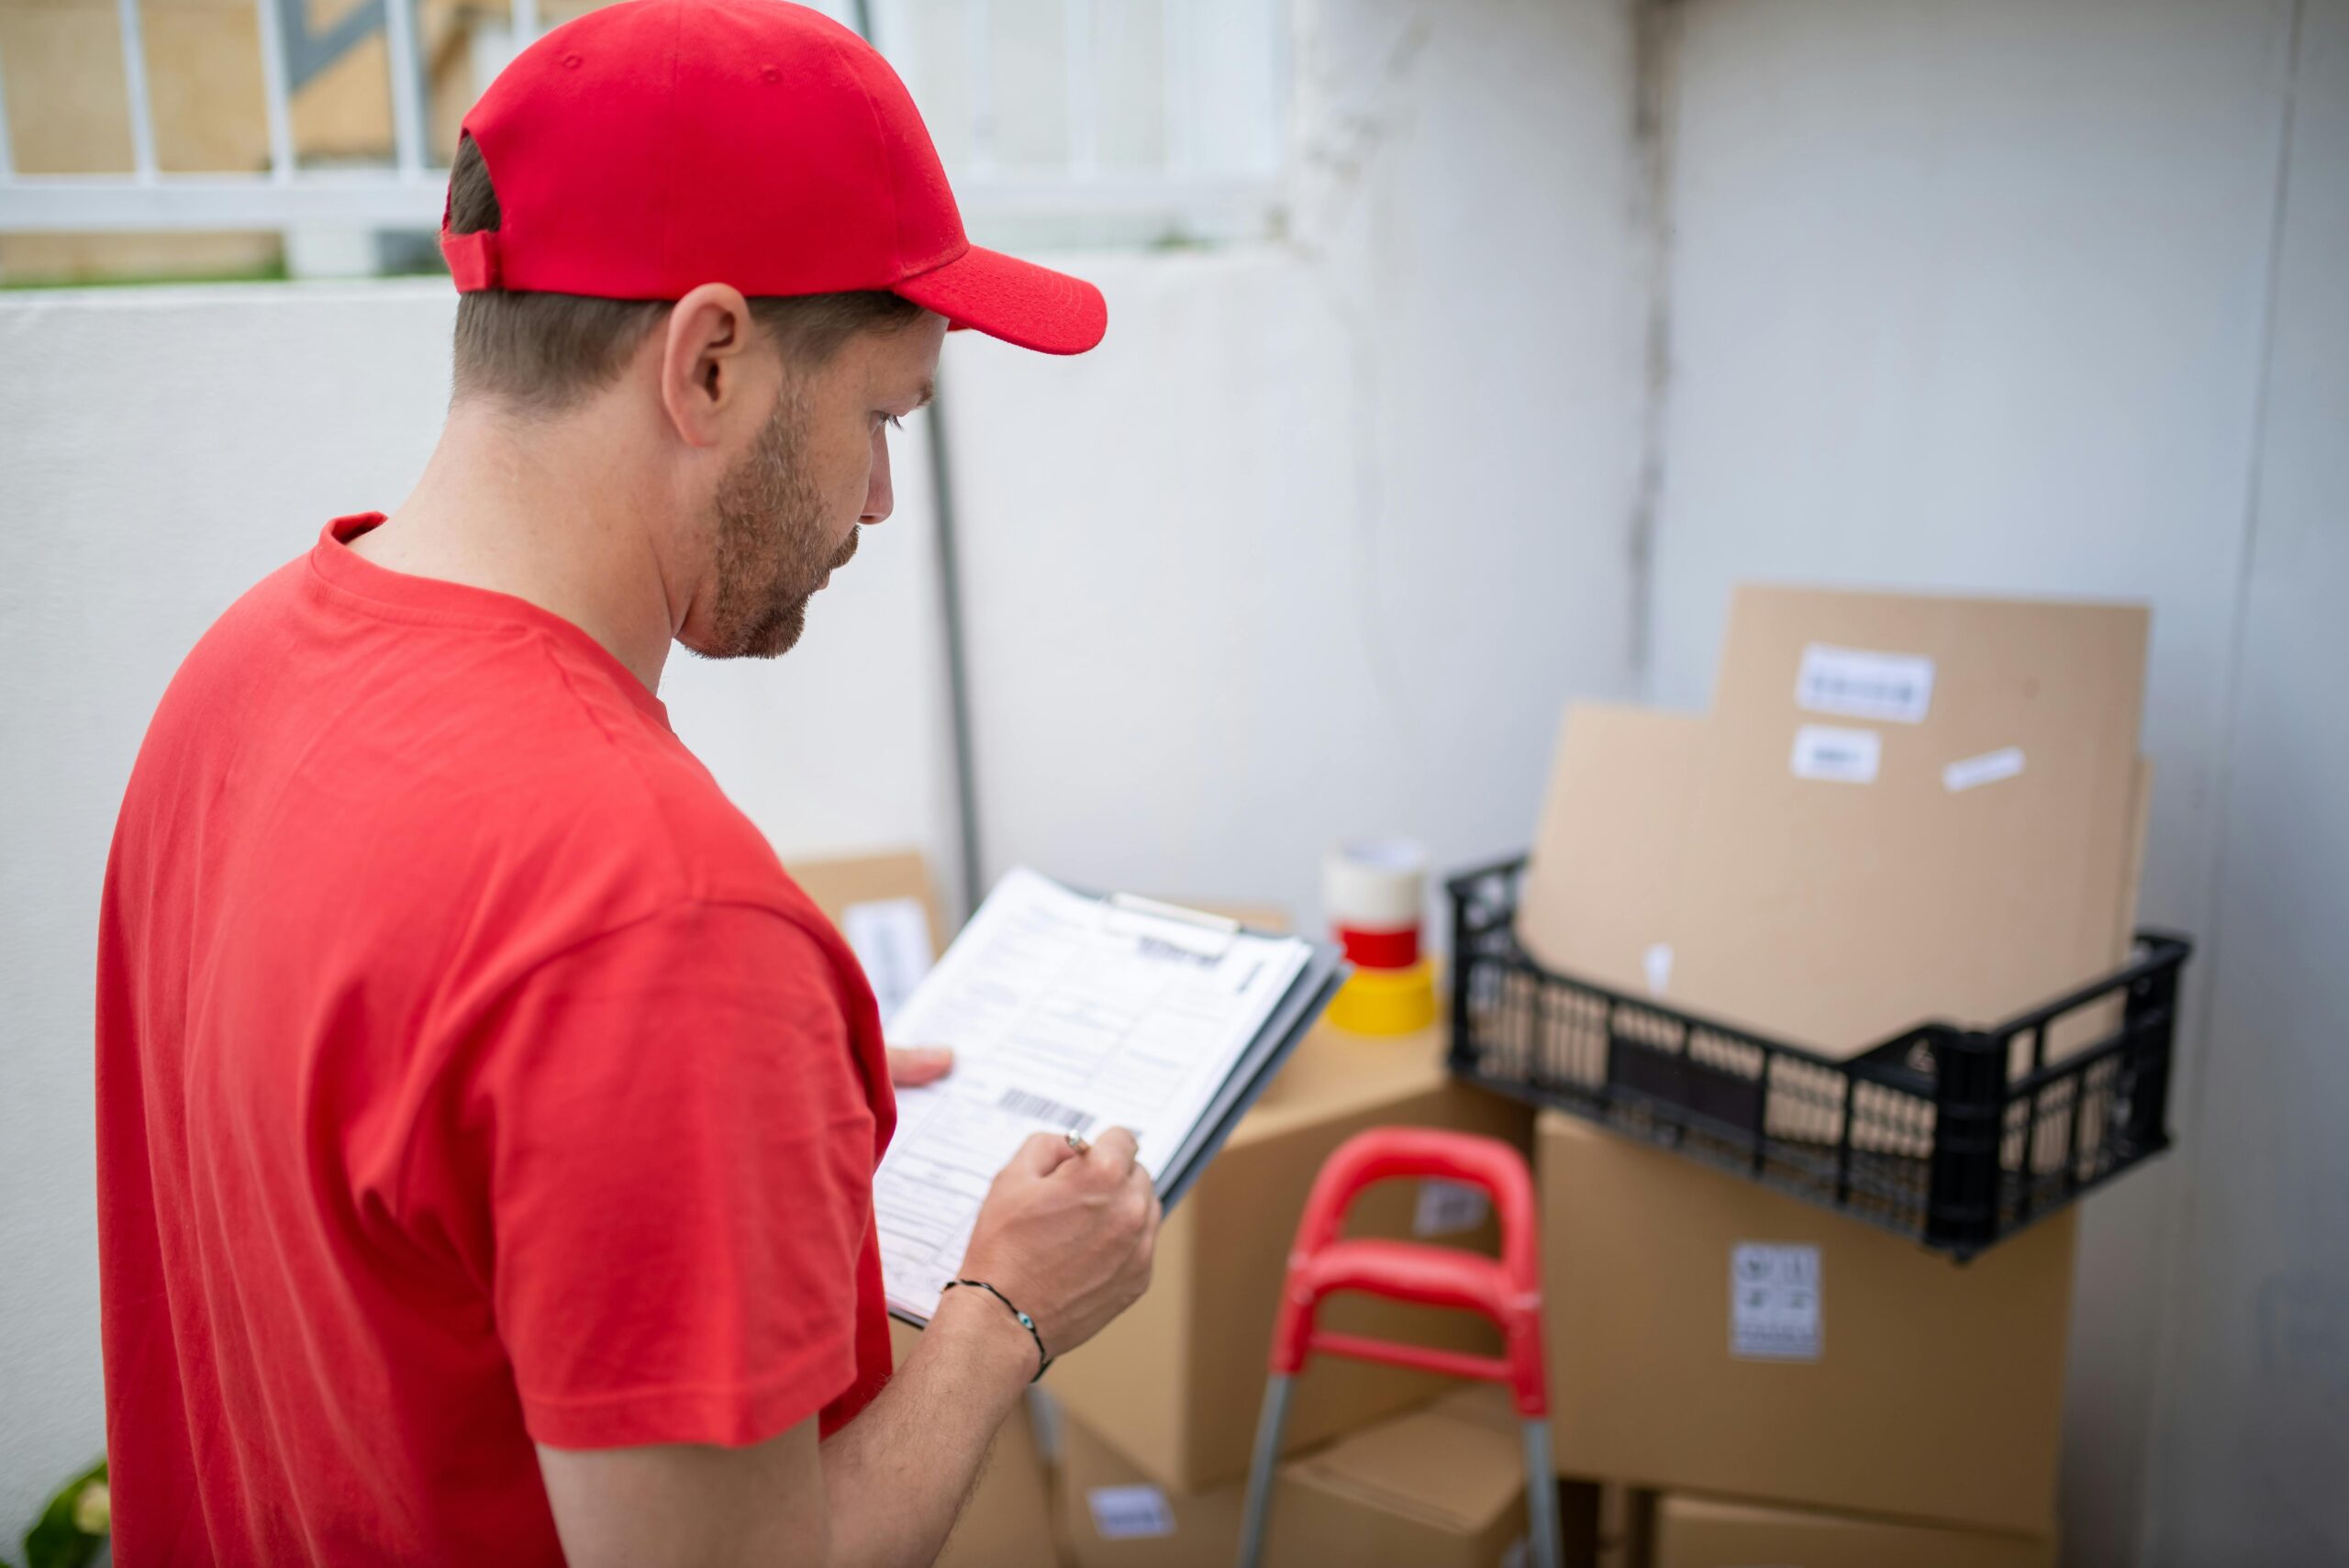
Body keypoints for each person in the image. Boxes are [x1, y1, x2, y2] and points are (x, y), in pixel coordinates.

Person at [93, 2, 1158, 1562]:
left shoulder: (234, 680)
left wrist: (750, 1114)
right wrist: (1002, 1313)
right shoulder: (654, 921)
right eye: (880, 413)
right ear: (710, 360)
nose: (874, 500)